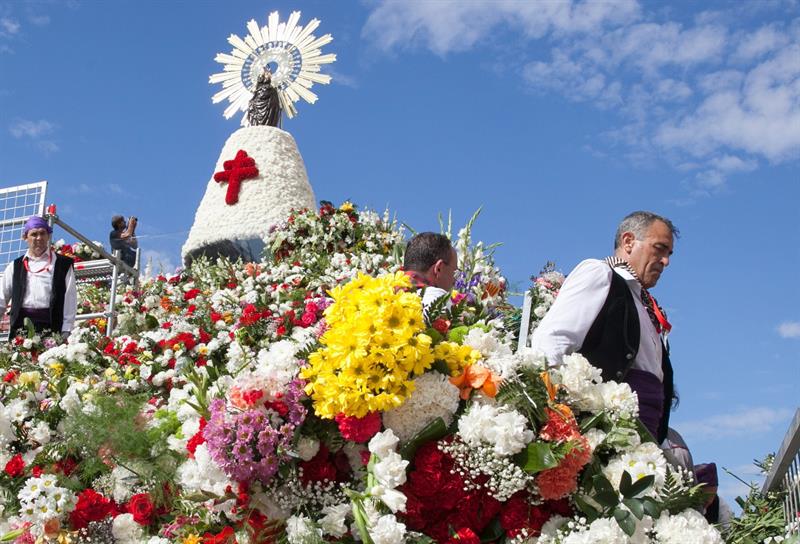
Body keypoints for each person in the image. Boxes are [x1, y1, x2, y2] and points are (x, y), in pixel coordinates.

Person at [531, 211, 678, 443]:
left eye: (669, 254)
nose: (666, 261)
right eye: (659, 248)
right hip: (601, 437)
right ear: (628, 241)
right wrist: (557, 420)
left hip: (641, 441)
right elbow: (551, 342)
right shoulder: (600, 274)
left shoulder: (645, 306)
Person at [0, 216, 77, 338]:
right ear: (25, 237)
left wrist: (66, 329)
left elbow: (70, 298)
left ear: (48, 236)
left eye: (43, 233)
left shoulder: (63, 264)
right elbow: (2, 297)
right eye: (34, 234)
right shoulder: (14, 266)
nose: (39, 238)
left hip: (52, 327)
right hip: (20, 328)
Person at [402, 232, 458, 308]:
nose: (455, 280)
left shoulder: (385, 292)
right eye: (454, 272)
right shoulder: (438, 299)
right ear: (439, 269)